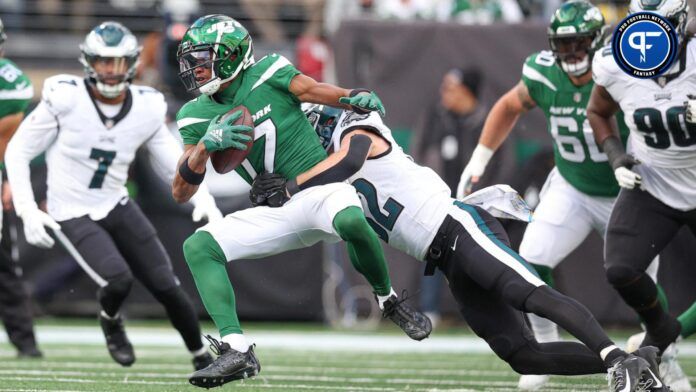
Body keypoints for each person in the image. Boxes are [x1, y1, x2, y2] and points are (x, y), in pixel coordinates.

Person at [251, 104, 668, 392]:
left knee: (527, 293)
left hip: (461, 227)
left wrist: (289, 186)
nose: (313, 141)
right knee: (521, 354)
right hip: (445, 258)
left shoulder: (358, 131)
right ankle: (634, 360)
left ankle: (619, 361)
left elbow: (347, 160)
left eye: (315, 130)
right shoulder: (327, 180)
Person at [172, 14, 431, 388]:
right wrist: (203, 150)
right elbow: (180, 190)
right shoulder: (193, 114)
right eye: (191, 60)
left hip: (317, 190)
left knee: (352, 221)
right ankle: (236, 349)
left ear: (231, 56)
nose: (194, 69)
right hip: (273, 208)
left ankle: (388, 300)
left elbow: (309, 89)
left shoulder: (269, 70)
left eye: (202, 58)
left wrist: (348, 97)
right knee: (198, 247)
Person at [456, 2, 669, 389]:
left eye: (579, 44)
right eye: (564, 45)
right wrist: (479, 158)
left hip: (628, 192)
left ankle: (663, 357)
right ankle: (545, 349)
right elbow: (508, 105)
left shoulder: (620, 70)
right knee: (532, 262)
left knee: (643, 288)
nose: (570, 54)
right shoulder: (544, 73)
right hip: (571, 186)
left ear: (597, 41)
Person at [5, 21, 221, 371]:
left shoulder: (146, 106)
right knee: (117, 278)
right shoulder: (66, 97)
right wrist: (28, 210)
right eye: (104, 61)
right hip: (71, 208)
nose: (110, 70)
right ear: (89, 62)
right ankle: (110, 320)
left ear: (132, 64)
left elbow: (173, 163)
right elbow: (18, 151)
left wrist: (204, 197)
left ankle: (201, 356)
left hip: (115, 202)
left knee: (166, 284)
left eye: (118, 62)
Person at [588, 0, 696, 390]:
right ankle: (660, 334)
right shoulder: (617, 62)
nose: (649, 39)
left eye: (661, 25)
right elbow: (598, 111)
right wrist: (617, 156)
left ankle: (657, 344)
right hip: (653, 181)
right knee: (620, 268)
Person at [0, 17, 42, 358]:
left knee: (4, 263)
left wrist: (9, 178)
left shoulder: (10, 83)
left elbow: (7, 141)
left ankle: (25, 343)